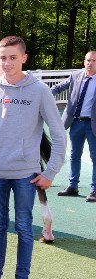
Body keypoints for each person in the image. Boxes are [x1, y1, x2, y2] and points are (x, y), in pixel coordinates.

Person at [0, 36, 66, 279]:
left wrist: (50, 172)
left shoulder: (39, 90)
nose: (7, 63)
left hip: (26, 174)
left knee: (24, 227)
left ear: (24, 58)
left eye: (13, 57)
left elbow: (59, 135)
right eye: (3, 57)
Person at [53, 50, 96, 202]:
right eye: (88, 60)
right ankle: (73, 186)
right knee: (74, 155)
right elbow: (58, 87)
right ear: (84, 61)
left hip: (92, 124)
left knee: (95, 157)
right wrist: (41, 94)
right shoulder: (75, 76)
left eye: (94, 61)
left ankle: (94, 190)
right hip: (75, 122)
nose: (90, 63)